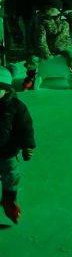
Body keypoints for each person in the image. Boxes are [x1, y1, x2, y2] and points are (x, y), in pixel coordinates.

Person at [25, 0, 72, 89]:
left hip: (64, 46)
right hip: (48, 47)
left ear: (58, 9)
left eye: (49, 8)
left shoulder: (65, 18)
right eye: (45, 8)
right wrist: (46, 53)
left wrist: (71, 14)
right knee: (33, 59)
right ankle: (31, 76)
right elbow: (40, 38)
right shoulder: (42, 20)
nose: (46, 10)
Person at [0, 66, 35, 224]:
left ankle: (9, 199)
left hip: (8, 151)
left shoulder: (16, 107)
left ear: (6, 89)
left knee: (12, 175)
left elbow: (25, 128)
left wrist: (27, 146)